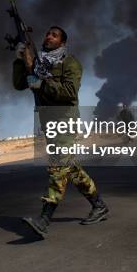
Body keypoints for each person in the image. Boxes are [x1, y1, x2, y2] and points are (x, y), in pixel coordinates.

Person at [14, 26, 109, 239]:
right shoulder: (39, 63)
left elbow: (68, 92)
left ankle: (44, 218)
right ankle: (99, 206)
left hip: (65, 120)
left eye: (54, 35)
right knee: (71, 168)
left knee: (57, 166)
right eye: (47, 33)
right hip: (48, 122)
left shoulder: (71, 63)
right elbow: (18, 84)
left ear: (63, 43)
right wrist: (20, 59)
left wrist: (41, 82)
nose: (48, 36)